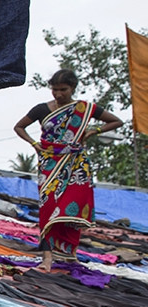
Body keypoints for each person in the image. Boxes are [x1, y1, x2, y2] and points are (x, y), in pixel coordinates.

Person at [14, 68, 123, 270]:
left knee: (72, 209)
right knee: (48, 209)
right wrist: (34, 144)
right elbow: (19, 127)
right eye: (54, 90)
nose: (58, 94)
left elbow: (116, 121)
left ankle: (68, 253)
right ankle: (47, 257)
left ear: (72, 88)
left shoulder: (84, 109)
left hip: (76, 165)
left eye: (63, 89)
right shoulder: (41, 109)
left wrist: (93, 131)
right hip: (49, 164)